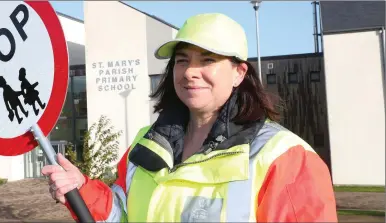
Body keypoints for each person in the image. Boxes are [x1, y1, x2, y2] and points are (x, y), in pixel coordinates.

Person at [42, 13, 337, 222]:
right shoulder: (144, 146)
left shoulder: (285, 159)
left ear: (239, 72)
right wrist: (81, 190)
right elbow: (121, 215)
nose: (190, 72)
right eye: (182, 60)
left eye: (207, 60)